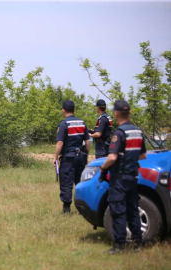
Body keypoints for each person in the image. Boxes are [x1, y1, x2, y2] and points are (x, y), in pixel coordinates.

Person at [99, 100, 146, 254]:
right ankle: (138, 243)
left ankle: (119, 246)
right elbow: (143, 155)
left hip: (119, 178)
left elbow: (112, 157)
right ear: (129, 113)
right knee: (133, 209)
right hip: (133, 177)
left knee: (118, 210)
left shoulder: (119, 133)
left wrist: (103, 167)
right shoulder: (138, 132)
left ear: (116, 114)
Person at [53, 100, 91, 214]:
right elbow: (88, 142)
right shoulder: (82, 123)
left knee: (66, 182)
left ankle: (67, 208)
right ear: (74, 110)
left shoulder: (64, 124)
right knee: (80, 182)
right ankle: (82, 208)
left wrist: (55, 157)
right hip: (81, 156)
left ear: (63, 110)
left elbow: (60, 143)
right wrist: (86, 155)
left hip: (68, 158)